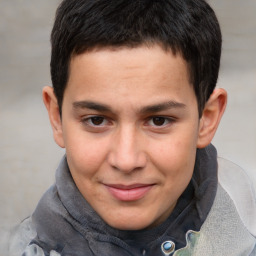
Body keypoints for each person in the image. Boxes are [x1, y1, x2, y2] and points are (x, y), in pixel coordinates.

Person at [9, 0, 256, 255]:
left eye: (158, 120)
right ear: (56, 118)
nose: (126, 160)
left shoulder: (245, 214)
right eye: (96, 120)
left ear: (207, 118)